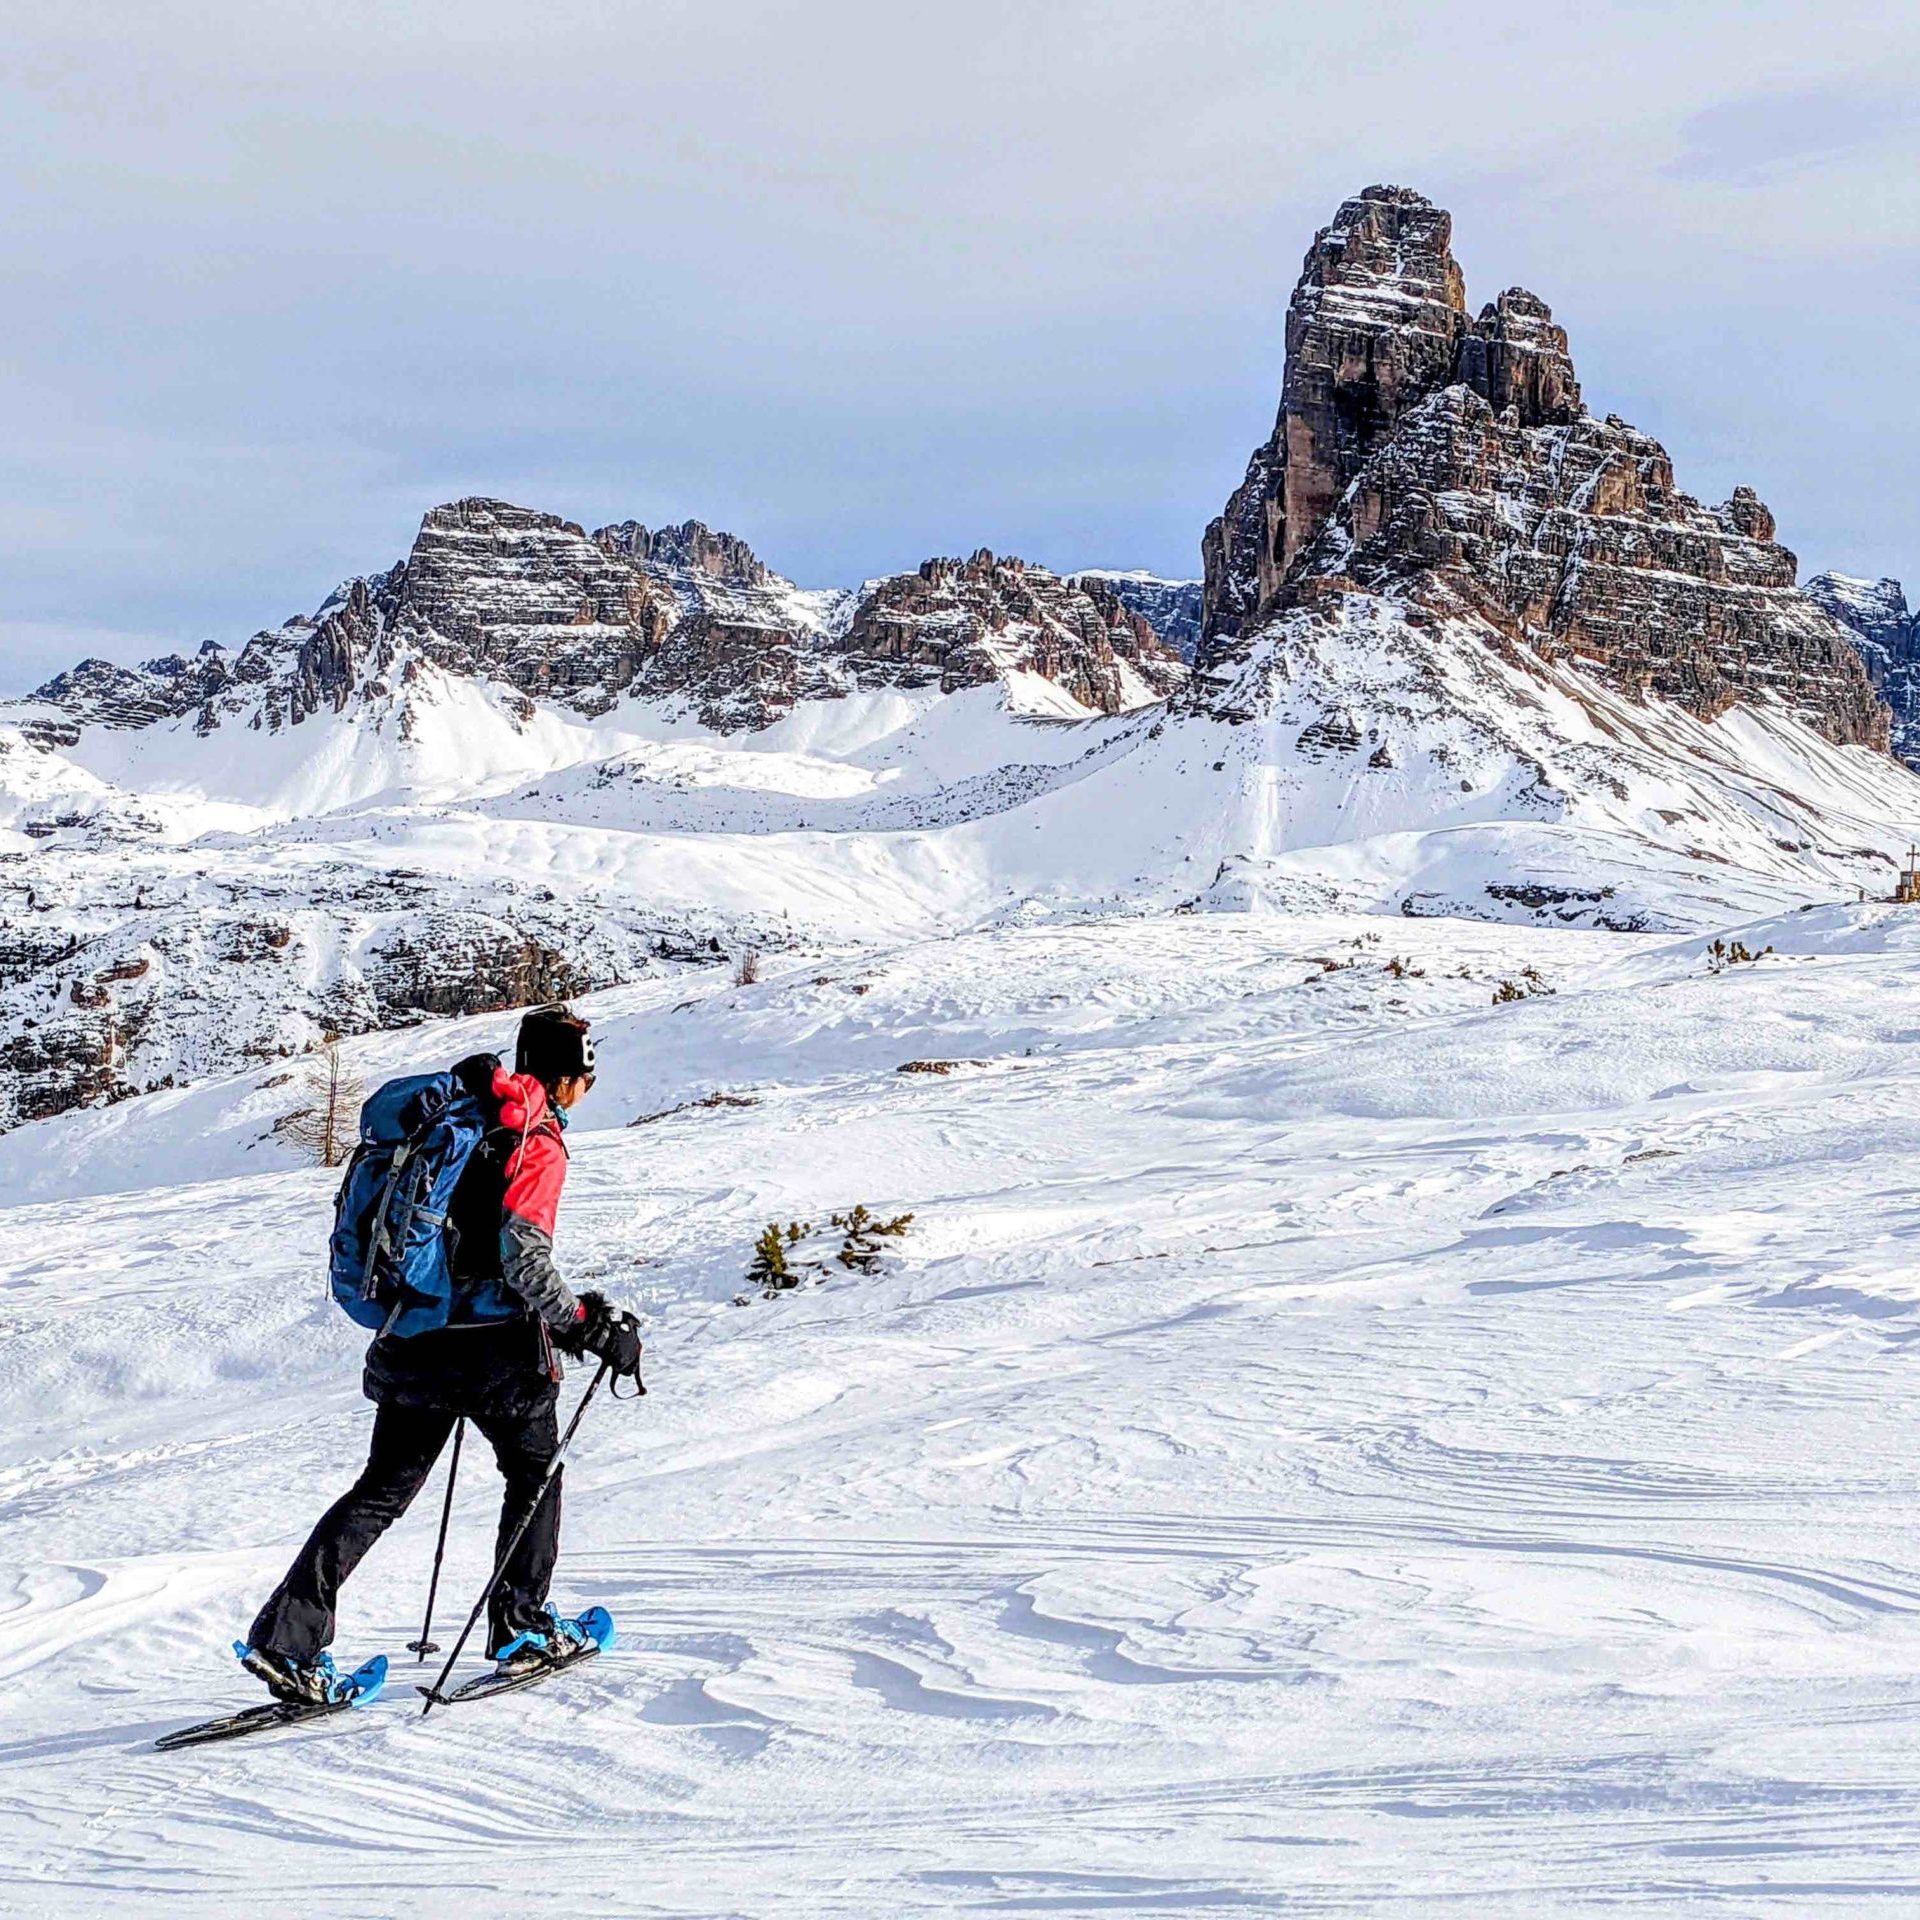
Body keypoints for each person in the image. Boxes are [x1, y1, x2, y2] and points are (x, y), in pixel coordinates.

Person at [239, 1004, 644, 1703]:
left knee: (380, 1493)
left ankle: (288, 1644)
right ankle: (520, 1627)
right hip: (497, 1352)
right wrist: (582, 1322)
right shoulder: (534, 1139)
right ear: (569, 1078)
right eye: (587, 1076)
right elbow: (522, 1258)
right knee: (534, 1473)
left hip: (413, 1335)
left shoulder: (459, 1116)